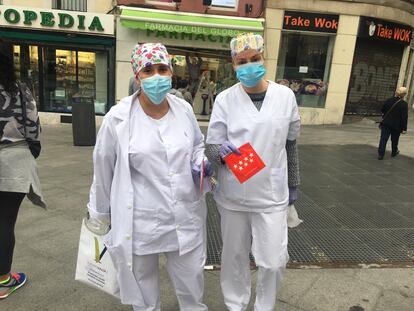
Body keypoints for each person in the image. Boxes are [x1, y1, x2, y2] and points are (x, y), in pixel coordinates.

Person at [86, 43, 213, 310]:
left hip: (183, 217)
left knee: (192, 285)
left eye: (162, 68)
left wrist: (200, 161)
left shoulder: (184, 109)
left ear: (170, 73)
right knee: (144, 295)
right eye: (148, 70)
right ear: (137, 77)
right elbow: (103, 169)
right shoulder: (117, 119)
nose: (156, 75)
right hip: (141, 221)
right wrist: (99, 217)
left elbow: (197, 144)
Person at [205, 33, 300, 311]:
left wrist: (293, 182)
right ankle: (235, 305)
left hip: (272, 195)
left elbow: (291, 143)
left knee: (272, 261)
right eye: (241, 61)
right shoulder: (225, 99)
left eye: (254, 59)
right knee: (234, 257)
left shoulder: (285, 97)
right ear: (233, 65)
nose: (248, 66)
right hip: (233, 195)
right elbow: (212, 145)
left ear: (263, 58)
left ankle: (264, 306)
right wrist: (218, 153)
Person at [0, 39, 45, 299]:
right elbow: (32, 124)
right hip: (13, 159)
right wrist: (32, 148)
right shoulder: (19, 89)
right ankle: (4, 280)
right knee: (5, 221)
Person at [377, 86, 408, 160]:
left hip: (386, 124)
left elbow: (382, 110)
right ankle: (394, 152)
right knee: (395, 139)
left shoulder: (389, 100)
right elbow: (404, 117)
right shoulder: (404, 104)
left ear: (396, 93)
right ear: (404, 94)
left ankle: (381, 155)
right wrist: (404, 128)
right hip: (397, 126)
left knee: (383, 139)